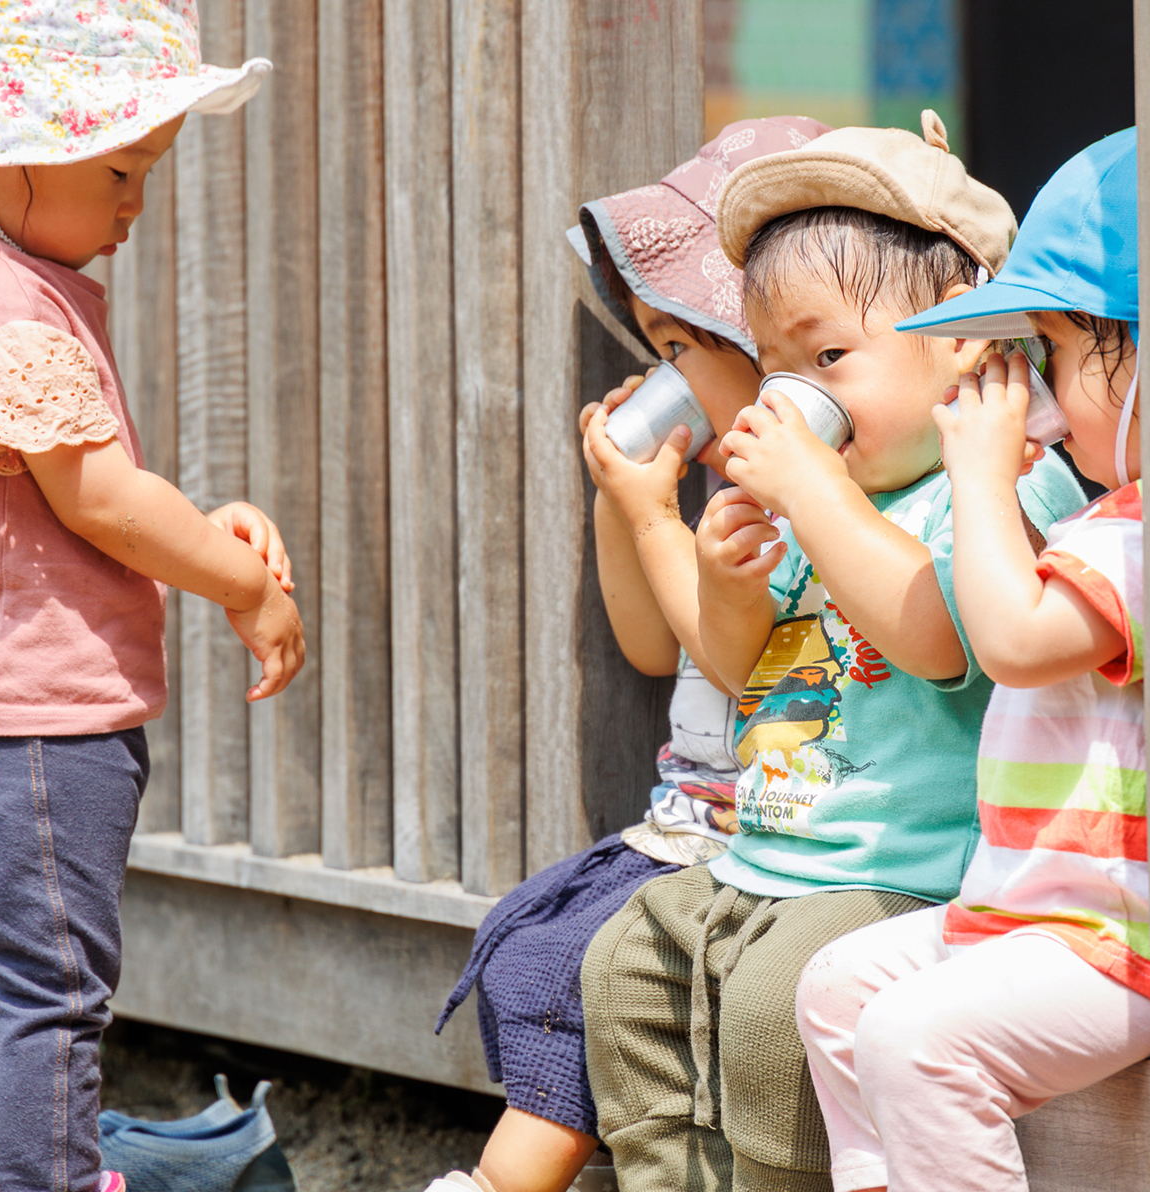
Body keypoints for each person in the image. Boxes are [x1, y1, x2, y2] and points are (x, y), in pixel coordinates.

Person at [0, 5, 304, 1192]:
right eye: (119, 169)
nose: (135, 203)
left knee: (25, 984)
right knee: (57, 997)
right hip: (34, 732)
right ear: (5, 151)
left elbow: (67, 498)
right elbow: (97, 496)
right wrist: (237, 577)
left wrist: (204, 522)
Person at [579, 113, 1089, 1192]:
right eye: (771, 365)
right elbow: (738, 665)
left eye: (829, 357)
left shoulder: (992, 484)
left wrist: (810, 492)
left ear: (965, 345)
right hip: (774, 854)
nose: (788, 391)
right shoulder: (823, 495)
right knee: (623, 968)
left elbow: (942, 638)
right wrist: (724, 579)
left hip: (907, 880)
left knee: (773, 1012)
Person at [792, 128, 1150, 1192]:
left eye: (1047, 350)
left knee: (916, 1038)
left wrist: (982, 478)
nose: (1031, 384)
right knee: (835, 987)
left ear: (1149, 349)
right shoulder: (1116, 519)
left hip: (1144, 943)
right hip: (1048, 922)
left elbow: (1012, 642)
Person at [427, 117, 832, 1192]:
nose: (664, 371)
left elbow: (752, 669)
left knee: (566, 969)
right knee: (536, 947)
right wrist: (629, 508)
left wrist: (659, 523)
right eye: (656, 346)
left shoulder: (818, 508)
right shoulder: (720, 495)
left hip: (768, 843)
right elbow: (650, 646)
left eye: (679, 346)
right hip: (686, 820)